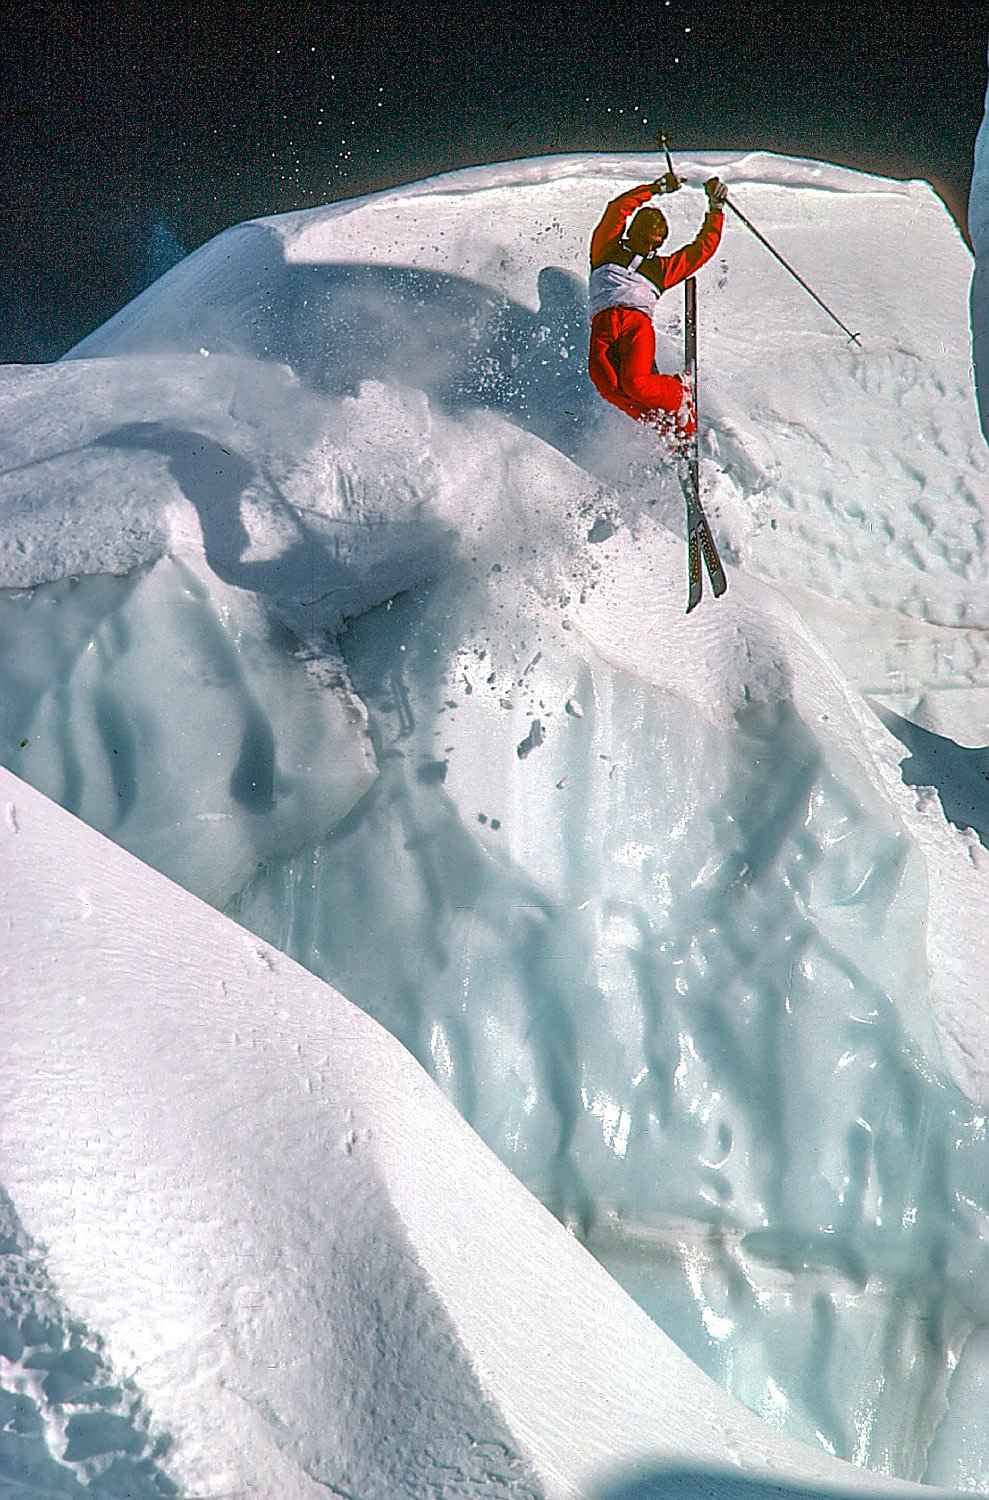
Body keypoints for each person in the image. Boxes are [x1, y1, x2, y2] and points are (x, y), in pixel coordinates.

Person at [588, 172, 728, 445]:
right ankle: (663, 427)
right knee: (606, 384)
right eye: (649, 240)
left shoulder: (661, 268)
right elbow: (617, 209)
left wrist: (716, 210)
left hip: (635, 324)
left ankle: (679, 391)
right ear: (635, 232)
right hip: (603, 322)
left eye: (658, 243)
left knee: (635, 383)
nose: (653, 247)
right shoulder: (606, 247)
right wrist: (656, 188)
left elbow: (700, 250)